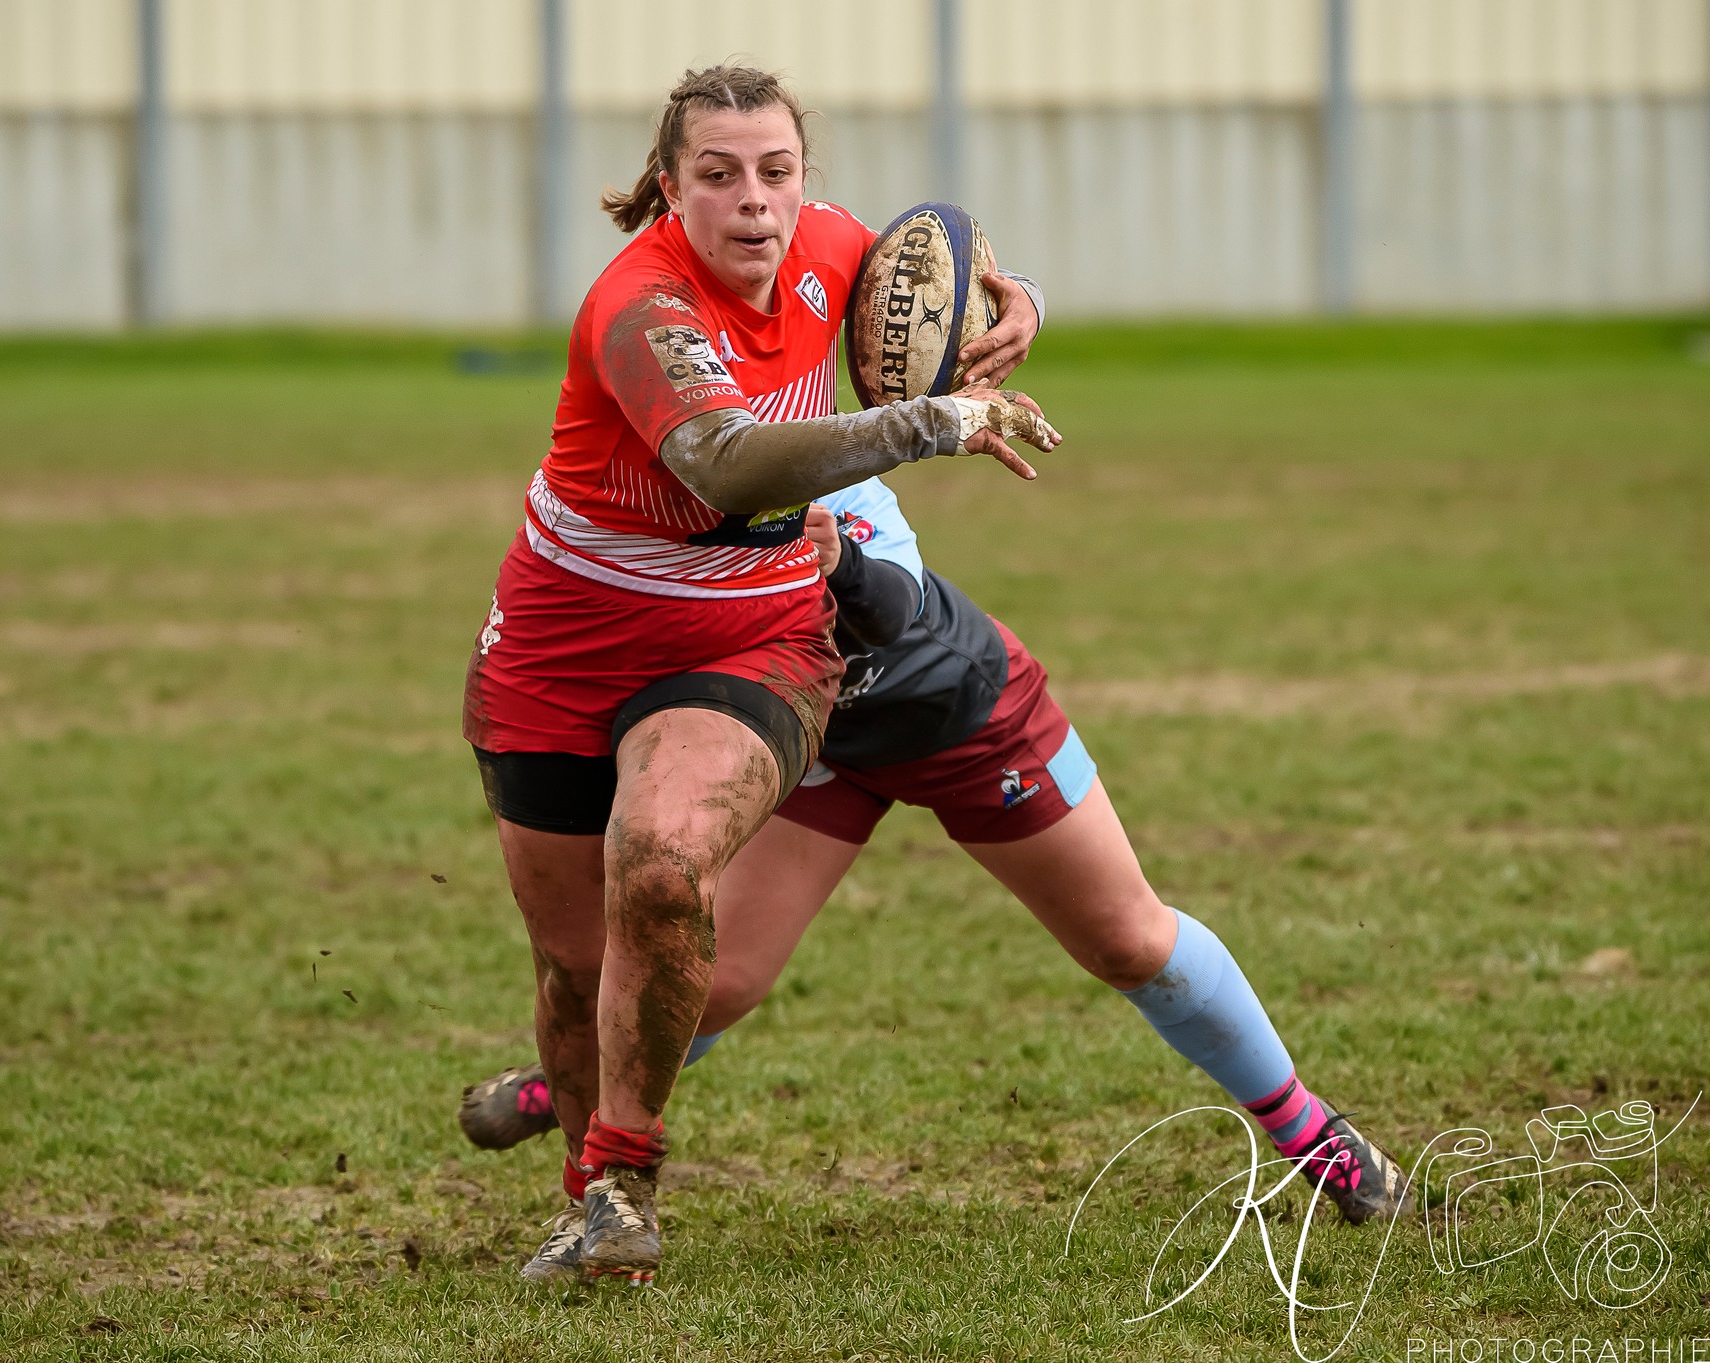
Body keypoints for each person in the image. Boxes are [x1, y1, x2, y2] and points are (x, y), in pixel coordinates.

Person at [462, 473, 1409, 1255]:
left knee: (1128, 938)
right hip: (816, 742)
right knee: (718, 979)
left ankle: (1315, 1137)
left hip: (958, 711)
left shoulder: (815, 468)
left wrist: (842, 561)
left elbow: (894, 607)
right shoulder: (657, 493)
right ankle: (573, 1086)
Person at [463, 65, 1059, 1285]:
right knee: (576, 965)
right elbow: (726, 468)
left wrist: (1018, 305)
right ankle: (587, 1193)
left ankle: (620, 1183)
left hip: (753, 636)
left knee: (664, 861)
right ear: (667, 192)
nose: (753, 203)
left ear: (804, 181)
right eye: (719, 176)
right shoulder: (639, 306)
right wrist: (931, 422)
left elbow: (940, 270)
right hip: (556, 648)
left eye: (776, 173)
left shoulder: (826, 249)